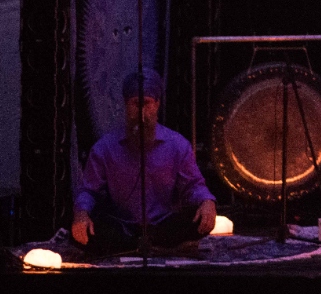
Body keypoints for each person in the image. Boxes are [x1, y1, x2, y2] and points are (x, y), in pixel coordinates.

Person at [71, 69, 217, 253]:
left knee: (196, 220)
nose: (142, 112)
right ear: (126, 105)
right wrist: (81, 214)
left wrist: (207, 202)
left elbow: (194, 185)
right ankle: (144, 246)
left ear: (157, 104)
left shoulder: (177, 145)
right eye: (135, 104)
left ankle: (153, 243)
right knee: (83, 232)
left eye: (147, 103)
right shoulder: (104, 148)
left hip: (163, 226)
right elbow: (89, 191)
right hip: (122, 227)